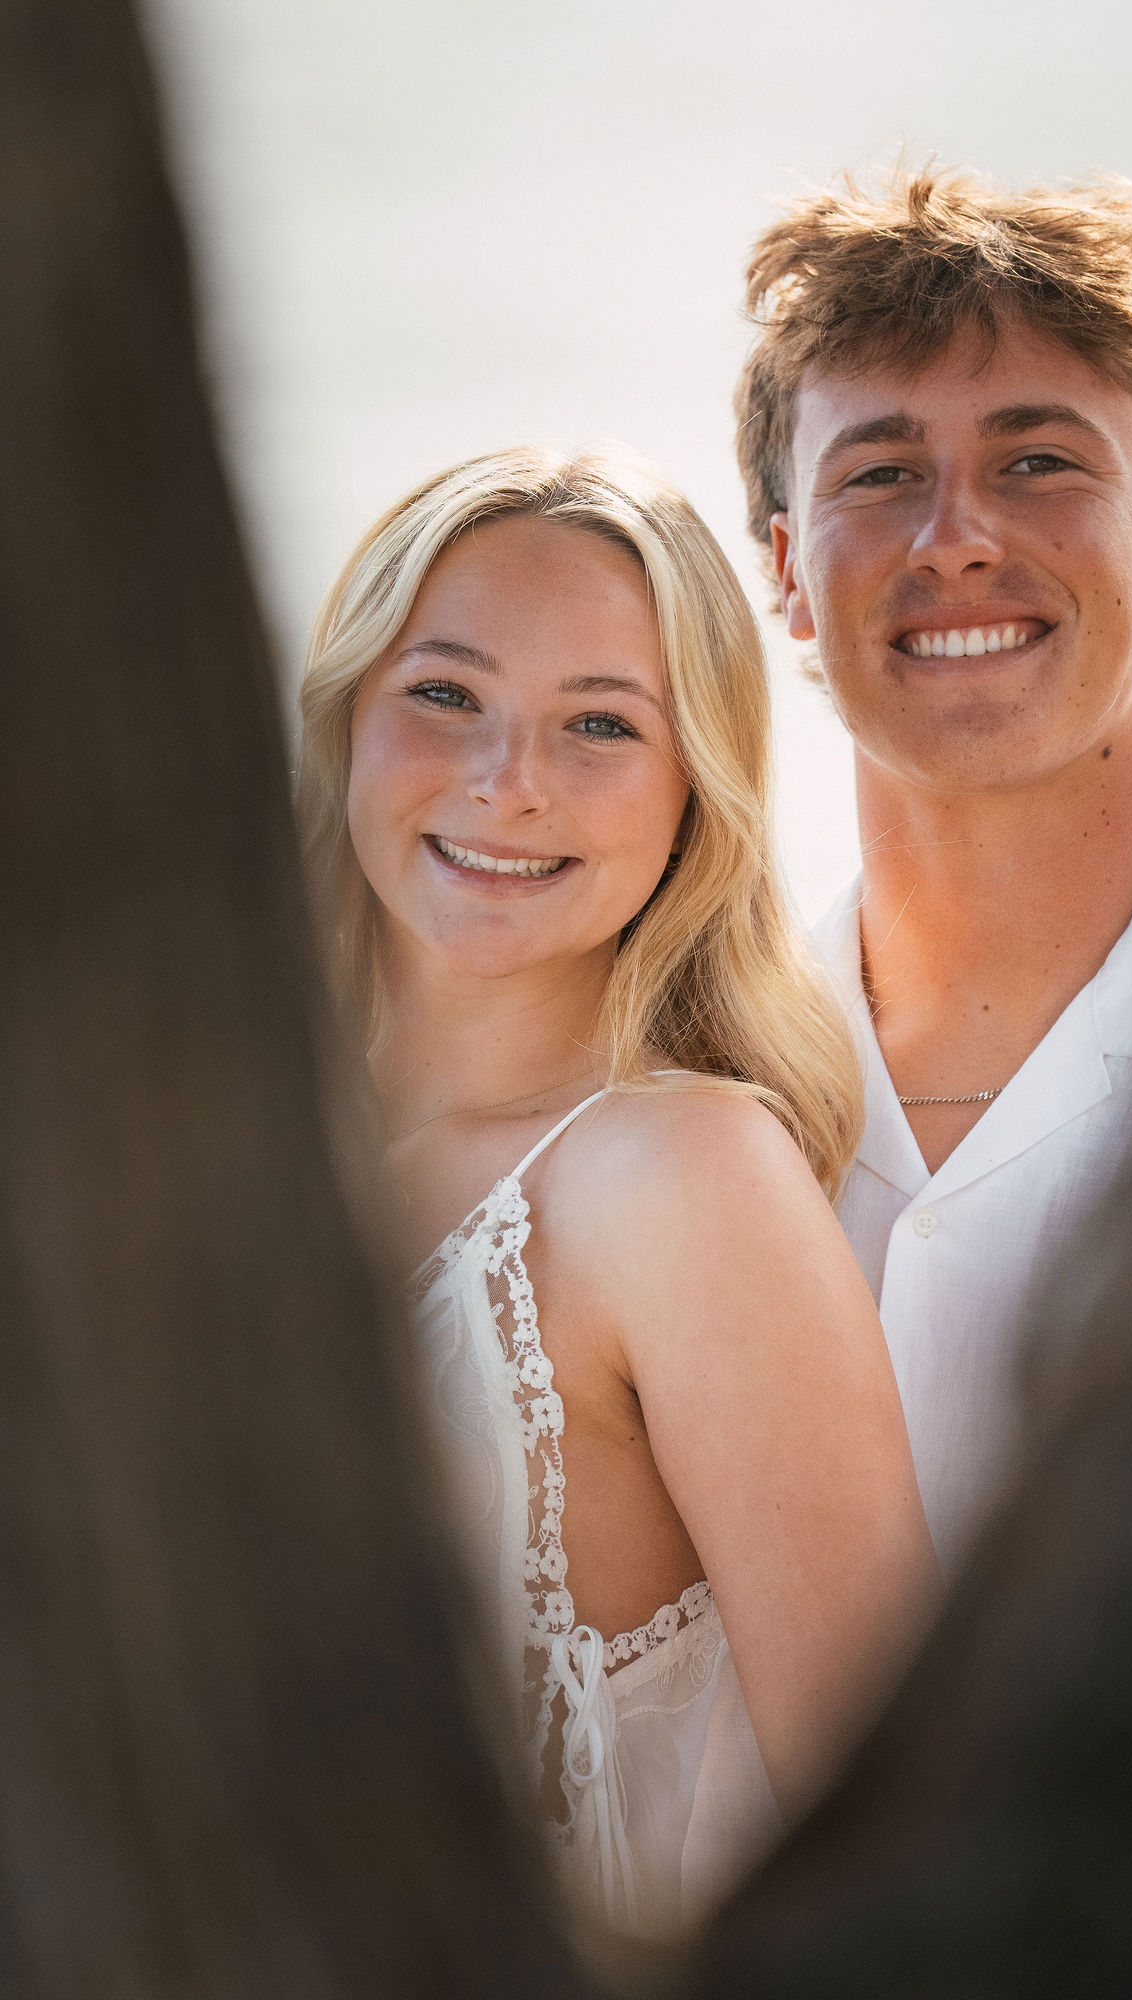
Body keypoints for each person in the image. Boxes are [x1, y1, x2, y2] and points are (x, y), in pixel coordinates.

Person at [296, 446, 936, 1945]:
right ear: (345, 721)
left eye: (600, 725)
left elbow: (898, 1826)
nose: (506, 783)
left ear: (691, 797)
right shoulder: (211, 1146)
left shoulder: (682, 1180)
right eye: (445, 694)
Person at [733, 168, 1132, 1572]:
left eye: (1039, 461)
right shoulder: (702, 1073)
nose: (954, 536)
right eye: (880, 473)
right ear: (786, 573)